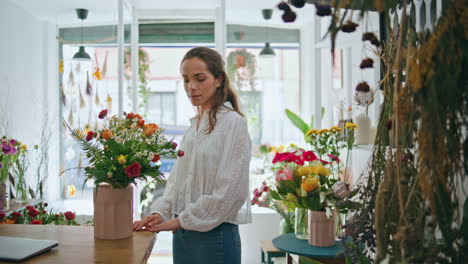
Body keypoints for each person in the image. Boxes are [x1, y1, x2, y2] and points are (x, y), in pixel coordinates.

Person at [133, 47, 252, 264]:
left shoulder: (233, 123)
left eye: (200, 78)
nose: (191, 87)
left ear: (219, 79)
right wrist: (161, 213)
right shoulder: (193, 127)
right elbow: (177, 184)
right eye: (186, 80)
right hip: (184, 237)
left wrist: (180, 221)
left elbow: (231, 193)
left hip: (215, 238)